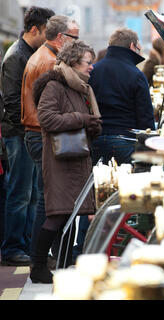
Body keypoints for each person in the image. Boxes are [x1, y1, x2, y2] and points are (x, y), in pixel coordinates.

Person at [30, 40, 101, 283]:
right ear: (73, 62)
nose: (92, 67)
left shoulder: (79, 86)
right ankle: (38, 267)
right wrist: (82, 119)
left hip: (76, 158)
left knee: (70, 212)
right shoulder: (55, 85)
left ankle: (62, 263)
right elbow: (47, 119)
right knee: (57, 214)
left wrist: (92, 125)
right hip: (60, 159)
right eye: (88, 63)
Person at [21, 15, 79, 270]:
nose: (77, 44)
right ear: (60, 38)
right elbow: (50, 111)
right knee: (48, 202)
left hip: (38, 133)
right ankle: (41, 259)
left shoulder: (44, 57)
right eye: (74, 38)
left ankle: (47, 257)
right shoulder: (49, 62)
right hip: (41, 135)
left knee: (48, 200)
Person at [0, 6, 54, 267]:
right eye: (47, 31)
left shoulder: (30, 53)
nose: (50, 36)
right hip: (20, 134)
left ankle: (26, 243)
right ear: (35, 29)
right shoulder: (16, 56)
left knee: (31, 194)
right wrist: (30, 127)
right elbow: (11, 102)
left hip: (28, 132)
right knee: (20, 194)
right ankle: (12, 248)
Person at [89, 27, 155, 166]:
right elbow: (145, 115)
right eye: (138, 48)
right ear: (132, 46)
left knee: (99, 184)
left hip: (96, 139)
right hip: (125, 139)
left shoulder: (94, 70)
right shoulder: (136, 74)